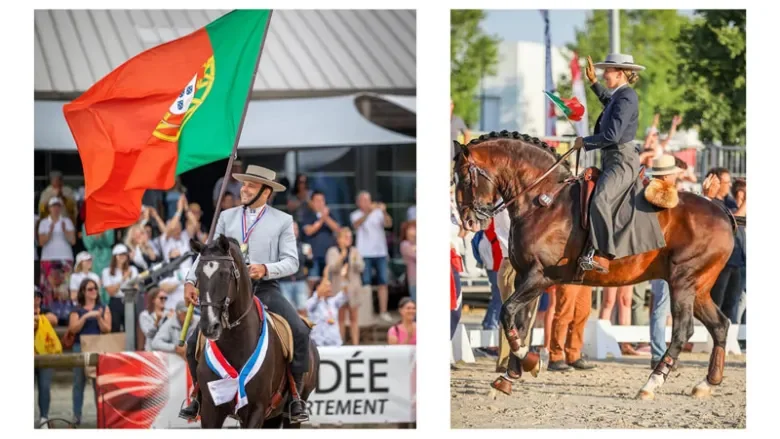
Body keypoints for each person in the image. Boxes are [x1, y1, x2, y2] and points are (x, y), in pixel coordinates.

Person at [180, 165, 310, 423]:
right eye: (244, 184)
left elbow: (292, 262)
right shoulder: (226, 216)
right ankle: (197, 396)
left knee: (300, 330)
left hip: (265, 289)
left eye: (250, 185)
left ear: (266, 191)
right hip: (226, 290)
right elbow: (207, 254)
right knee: (194, 340)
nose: (243, 189)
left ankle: (296, 396)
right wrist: (190, 280)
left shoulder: (283, 220)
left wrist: (266, 268)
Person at [573, 53, 646, 274]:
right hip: (613, 159)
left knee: (601, 198)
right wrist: (594, 83)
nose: (604, 74)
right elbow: (609, 102)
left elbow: (613, 135)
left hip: (621, 161)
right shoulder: (620, 96)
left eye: (608, 71)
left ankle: (603, 255)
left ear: (620, 73)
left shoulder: (626, 97)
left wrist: (584, 142)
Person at [644, 155, 684, 368]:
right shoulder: (663, 196)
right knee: (661, 307)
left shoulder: (653, 193)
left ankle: (661, 352)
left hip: (661, 256)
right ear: (667, 175)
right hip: (662, 257)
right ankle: (659, 353)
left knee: (663, 306)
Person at [547, 285, 597, 371]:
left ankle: (573, 356)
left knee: (582, 312)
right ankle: (555, 357)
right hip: (569, 275)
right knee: (564, 313)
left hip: (585, 276)